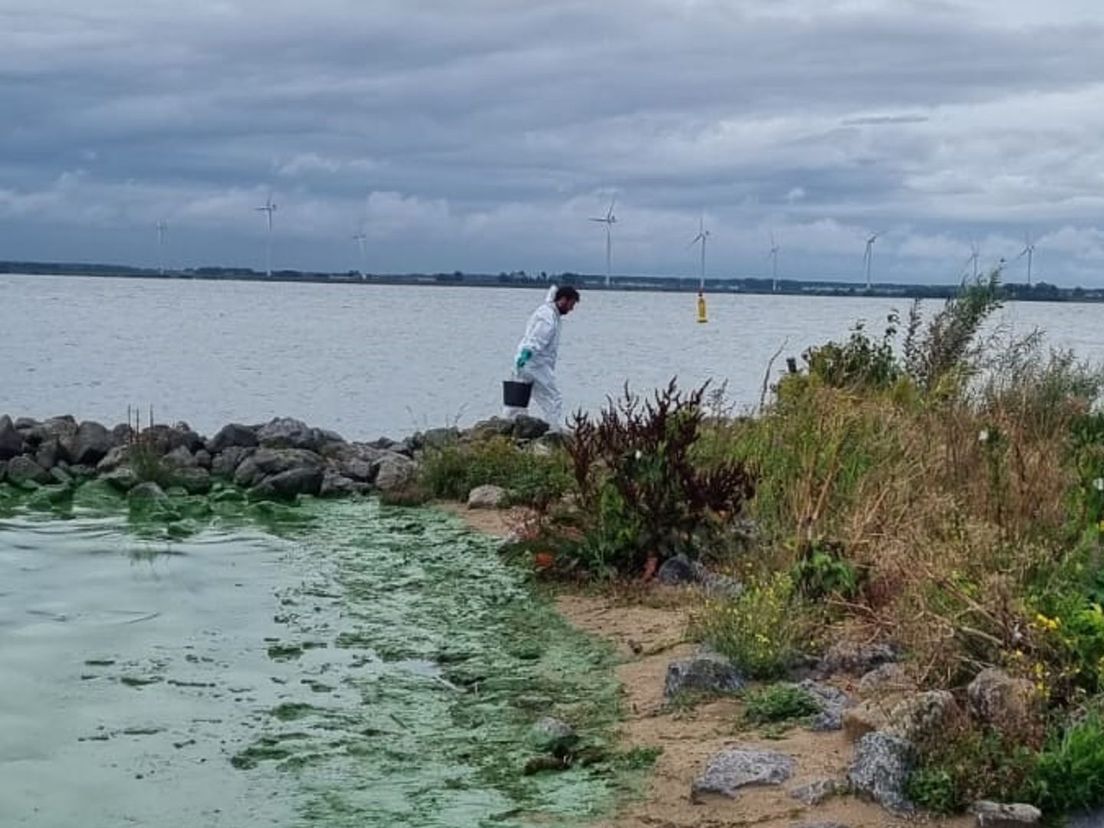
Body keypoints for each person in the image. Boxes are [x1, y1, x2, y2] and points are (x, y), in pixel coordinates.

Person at [505, 284, 580, 430]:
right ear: (563, 300)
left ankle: (509, 426)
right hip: (535, 363)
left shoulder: (548, 313)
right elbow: (537, 338)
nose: (571, 309)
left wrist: (523, 356)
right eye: (571, 304)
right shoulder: (548, 317)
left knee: (518, 397)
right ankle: (553, 430)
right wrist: (528, 353)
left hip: (526, 362)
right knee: (552, 398)